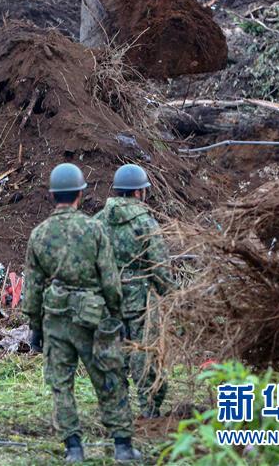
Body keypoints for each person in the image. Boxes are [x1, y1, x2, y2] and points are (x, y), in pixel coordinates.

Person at [23, 163, 140, 463]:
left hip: (56, 318)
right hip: (92, 316)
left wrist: (35, 327)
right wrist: (117, 317)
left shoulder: (39, 235)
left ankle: (73, 448)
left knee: (61, 385)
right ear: (79, 195)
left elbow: (33, 288)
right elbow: (110, 281)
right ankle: (123, 446)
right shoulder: (94, 229)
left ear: (53, 196)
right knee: (108, 378)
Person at [96, 164, 174, 419]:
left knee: (111, 356)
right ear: (139, 192)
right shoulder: (145, 222)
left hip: (107, 300)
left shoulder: (97, 221)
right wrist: (172, 297)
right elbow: (160, 267)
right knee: (144, 355)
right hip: (140, 301)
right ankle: (150, 409)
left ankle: (116, 411)